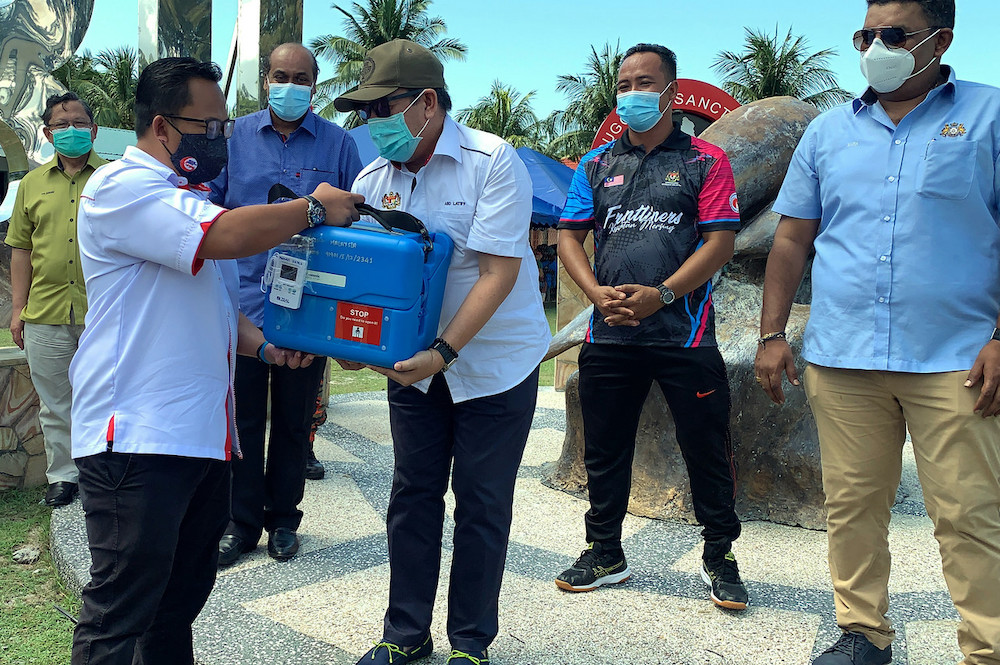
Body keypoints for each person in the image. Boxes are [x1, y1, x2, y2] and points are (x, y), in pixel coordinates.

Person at [69, 56, 363, 665]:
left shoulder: (186, 197)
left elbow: (221, 316)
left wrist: (268, 347)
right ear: (160, 127)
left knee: (176, 607)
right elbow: (223, 236)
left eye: (224, 127)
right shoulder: (121, 189)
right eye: (208, 127)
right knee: (120, 614)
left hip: (200, 440)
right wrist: (312, 207)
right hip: (137, 440)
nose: (221, 140)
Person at [755, 1, 1000, 663]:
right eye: (867, 34)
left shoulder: (989, 115)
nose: (875, 46)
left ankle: (987, 648)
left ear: (941, 39)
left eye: (895, 34)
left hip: (958, 360)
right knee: (853, 508)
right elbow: (792, 237)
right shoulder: (830, 132)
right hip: (844, 357)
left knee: (969, 516)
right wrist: (771, 333)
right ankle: (862, 634)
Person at [333, 39, 550, 665]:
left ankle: (470, 645)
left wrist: (444, 351)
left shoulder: (490, 161)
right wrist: (355, 341)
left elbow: (497, 274)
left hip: (495, 366)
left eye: (384, 108)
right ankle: (404, 636)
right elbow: (371, 277)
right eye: (366, 112)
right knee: (412, 497)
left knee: (482, 505)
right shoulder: (374, 179)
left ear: (427, 104)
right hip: (414, 372)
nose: (374, 124)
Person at [556, 43, 748, 611]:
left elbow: (721, 241)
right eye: (625, 83)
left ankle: (721, 556)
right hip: (608, 336)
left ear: (669, 91)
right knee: (605, 451)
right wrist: (594, 296)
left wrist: (662, 294)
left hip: (684, 338)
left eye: (645, 83)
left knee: (707, 448)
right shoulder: (594, 165)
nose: (632, 94)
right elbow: (569, 234)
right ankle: (605, 552)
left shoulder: (705, 161)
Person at [209, 42, 362, 567]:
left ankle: (284, 520)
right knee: (244, 417)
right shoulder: (232, 138)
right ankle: (241, 521)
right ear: (264, 79)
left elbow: (355, 227)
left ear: (315, 84)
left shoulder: (340, 145)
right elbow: (211, 216)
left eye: (301, 77)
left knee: (297, 420)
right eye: (280, 75)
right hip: (246, 302)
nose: (290, 85)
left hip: (311, 306)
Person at [5, 92, 106, 507]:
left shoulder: (111, 179)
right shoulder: (30, 184)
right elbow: (21, 250)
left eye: (79, 123)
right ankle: (63, 476)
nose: (71, 132)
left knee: (104, 395)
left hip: (102, 311)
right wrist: (17, 310)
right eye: (62, 126)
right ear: (47, 134)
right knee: (55, 403)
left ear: (94, 130)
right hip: (45, 313)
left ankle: (102, 472)